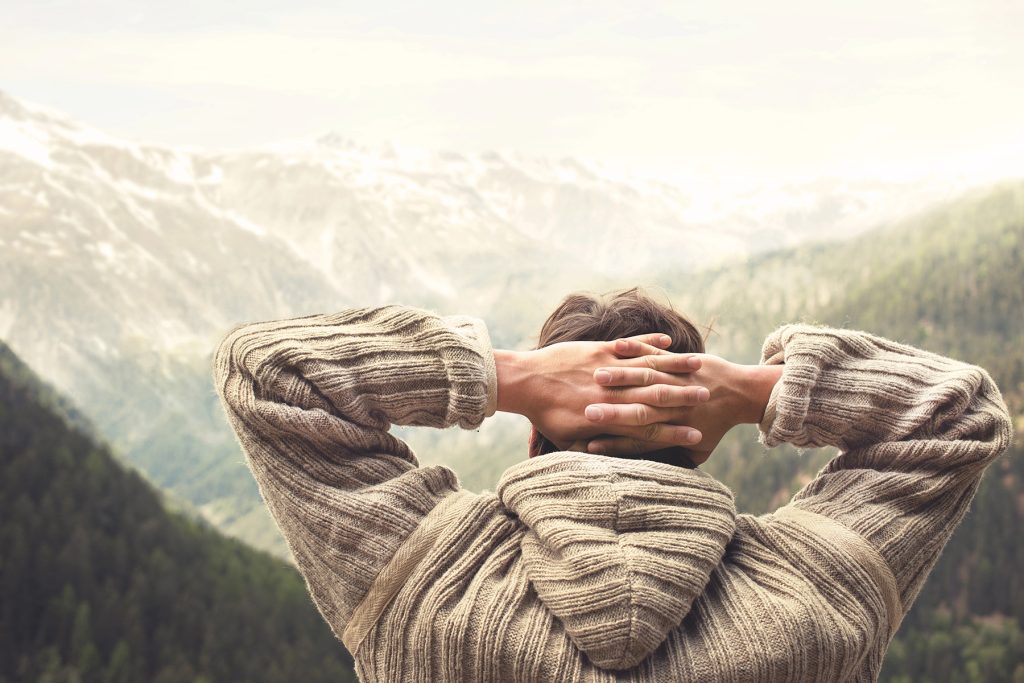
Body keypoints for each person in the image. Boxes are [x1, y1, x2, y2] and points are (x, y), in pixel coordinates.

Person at [212, 288, 1012, 683]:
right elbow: (959, 412)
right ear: (696, 442)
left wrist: (511, 377)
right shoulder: (813, 597)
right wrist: (752, 389)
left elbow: (269, 371)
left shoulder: (427, 584)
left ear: (534, 437)